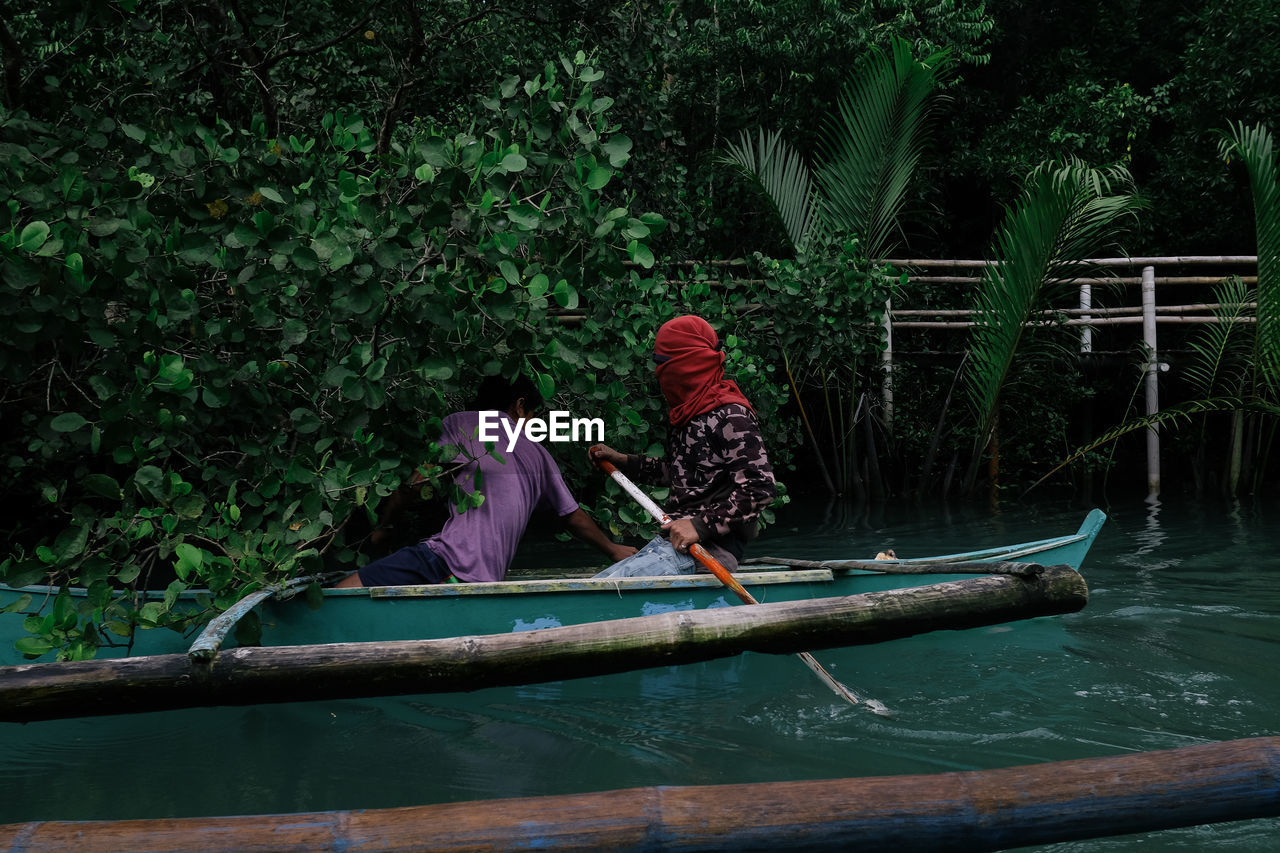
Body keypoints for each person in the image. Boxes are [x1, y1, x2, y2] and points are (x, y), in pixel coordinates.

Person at [336, 376, 635, 587]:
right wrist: (613, 549)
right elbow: (572, 516)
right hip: (485, 576)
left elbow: (417, 482)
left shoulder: (460, 423)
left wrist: (384, 528)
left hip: (449, 561)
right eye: (533, 416)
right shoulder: (540, 453)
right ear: (520, 406)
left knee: (343, 591)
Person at [589, 315, 776, 577]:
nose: (659, 373)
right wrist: (623, 461)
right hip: (675, 545)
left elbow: (761, 487)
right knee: (602, 582)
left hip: (710, 550)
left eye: (663, 364)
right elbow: (682, 473)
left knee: (606, 591)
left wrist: (700, 526)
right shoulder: (690, 414)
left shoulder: (730, 414)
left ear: (687, 362)